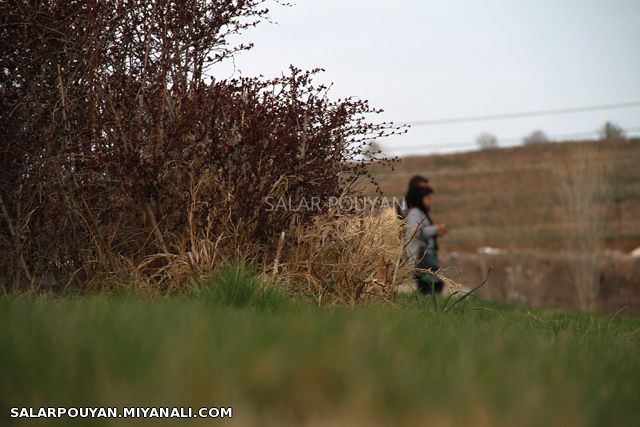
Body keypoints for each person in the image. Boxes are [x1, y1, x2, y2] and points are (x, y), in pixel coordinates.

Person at [404, 185, 448, 294]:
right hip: (420, 259)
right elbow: (415, 231)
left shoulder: (421, 213)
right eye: (428, 198)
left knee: (433, 286)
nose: (430, 202)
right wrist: (435, 229)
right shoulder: (415, 212)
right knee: (431, 287)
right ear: (420, 198)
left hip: (423, 258)